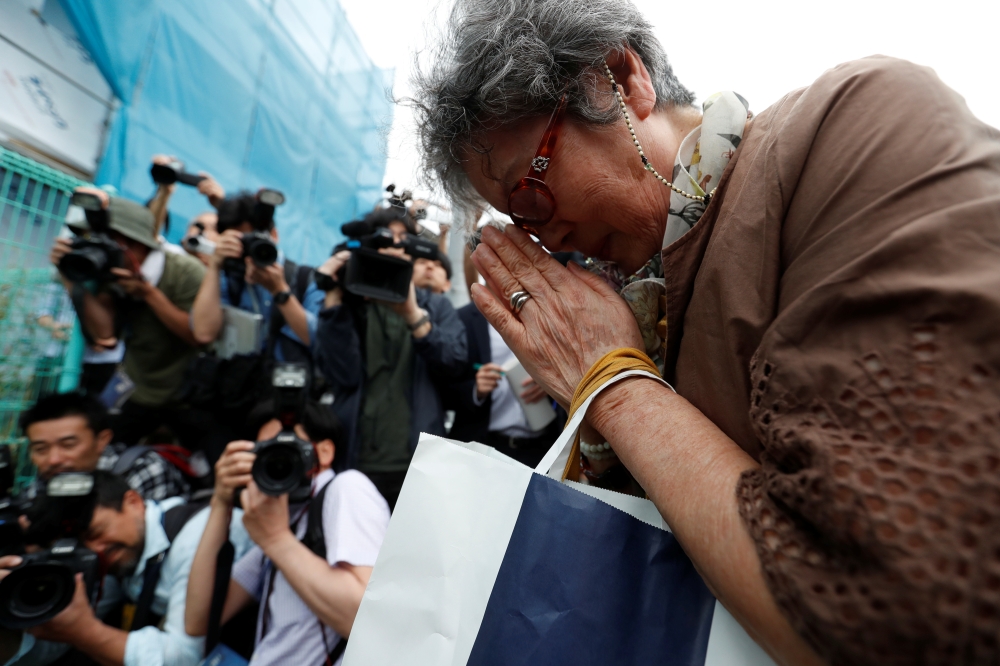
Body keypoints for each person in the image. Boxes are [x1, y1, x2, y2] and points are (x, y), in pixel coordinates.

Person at [411, 1, 1000, 664]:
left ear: (619, 78)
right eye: (516, 220)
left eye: (530, 191)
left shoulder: (855, 128)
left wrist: (612, 382)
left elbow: (900, 608)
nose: (542, 232)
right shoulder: (636, 296)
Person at [184, 400, 389, 666]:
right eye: (264, 451)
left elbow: (369, 622)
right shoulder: (283, 526)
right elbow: (198, 620)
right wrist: (221, 501)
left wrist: (275, 539)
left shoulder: (345, 488)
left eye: (287, 447)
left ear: (324, 452)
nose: (276, 459)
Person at [0, 471, 253, 666]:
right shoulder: (113, 555)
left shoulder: (198, 534)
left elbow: (184, 656)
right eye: (81, 542)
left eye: (97, 532)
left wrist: (86, 633)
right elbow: (57, 639)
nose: (96, 548)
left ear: (133, 502)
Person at [49, 188, 228, 461]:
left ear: (137, 244)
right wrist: (71, 277)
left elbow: (199, 334)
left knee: (209, 464)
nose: (101, 248)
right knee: (105, 454)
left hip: (189, 393)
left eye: (112, 242)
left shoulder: (186, 272)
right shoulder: (108, 271)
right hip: (140, 387)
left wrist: (148, 294)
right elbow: (105, 333)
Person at [313, 207, 468, 509]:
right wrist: (333, 297)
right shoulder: (351, 304)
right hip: (355, 459)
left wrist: (413, 316)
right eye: (386, 239)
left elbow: (455, 362)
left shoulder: (435, 306)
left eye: (403, 240)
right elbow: (340, 375)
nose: (395, 247)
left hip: (417, 462)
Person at [190, 191, 322, 360]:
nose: (251, 249)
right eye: (243, 242)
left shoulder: (305, 278)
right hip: (237, 378)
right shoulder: (228, 277)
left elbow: (321, 341)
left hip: (287, 381)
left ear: (274, 235)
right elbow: (203, 333)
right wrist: (215, 265)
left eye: (257, 239)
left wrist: (280, 291)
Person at [445, 302, 561, 468]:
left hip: (543, 449)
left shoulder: (549, 315)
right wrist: (476, 390)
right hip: (484, 448)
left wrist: (551, 385)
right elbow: (443, 387)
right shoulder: (462, 318)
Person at [20, 392, 188, 502]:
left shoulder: (142, 469)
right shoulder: (42, 485)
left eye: (68, 445)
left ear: (102, 440)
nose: (54, 459)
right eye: (41, 449)